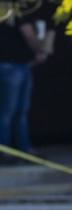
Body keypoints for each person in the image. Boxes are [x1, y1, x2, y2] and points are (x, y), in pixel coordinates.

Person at [0, 6, 48, 155]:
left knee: (19, 111)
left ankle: (22, 149)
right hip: (12, 66)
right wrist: (40, 50)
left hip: (19, 65)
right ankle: (9, 151)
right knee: (9, 112)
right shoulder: (15, 10)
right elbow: (28, 34)